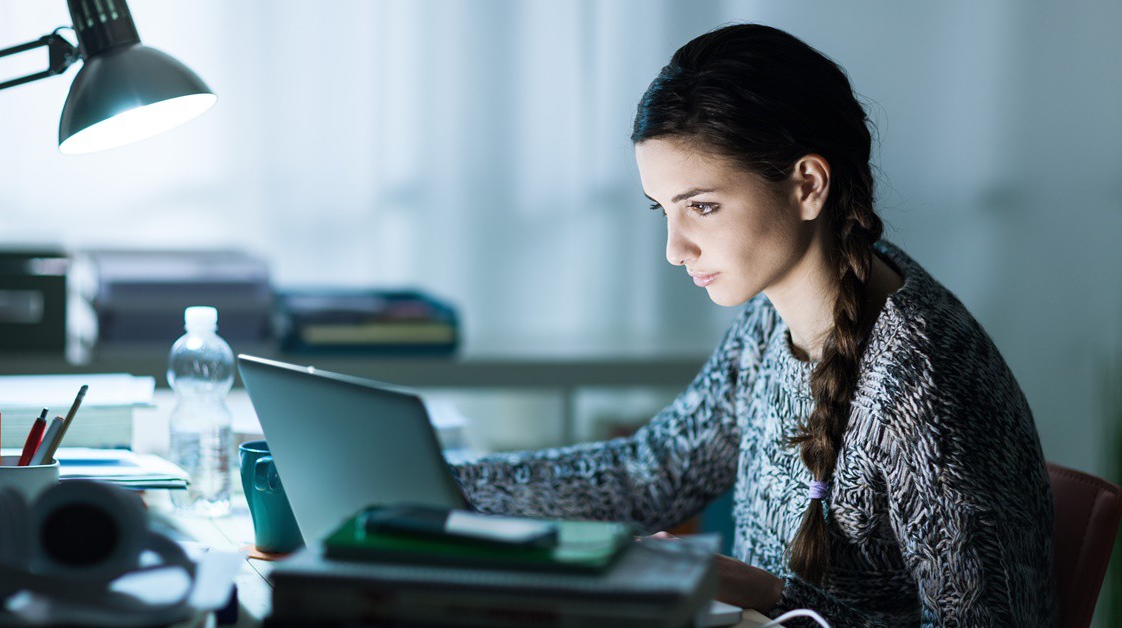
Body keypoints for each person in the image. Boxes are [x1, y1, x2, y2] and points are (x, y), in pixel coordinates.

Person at [451, 23, 1055, 626]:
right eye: (664, 210)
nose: (674, 248)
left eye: (703, 207)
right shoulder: (775, 319)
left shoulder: (924, 387)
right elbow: (653, 471)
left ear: (807, 186)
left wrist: (769, 597)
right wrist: (447, 489)